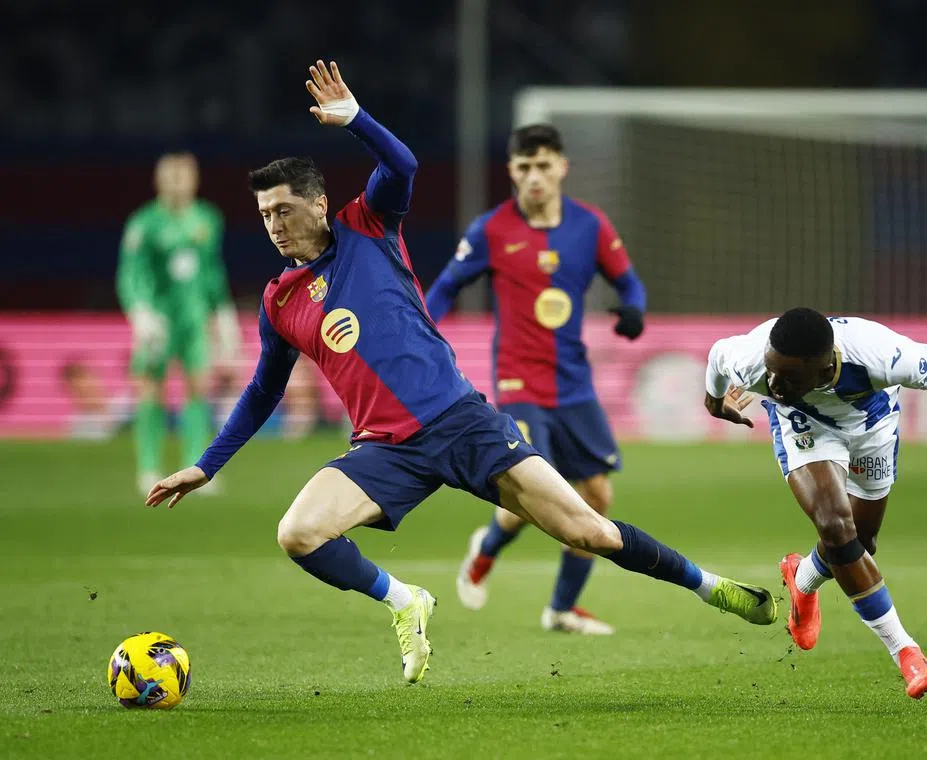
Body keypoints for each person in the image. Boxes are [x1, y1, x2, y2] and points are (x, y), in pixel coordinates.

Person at [146, 60, 777, 685]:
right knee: (299, 533)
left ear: (318, 203)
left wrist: (356, 119)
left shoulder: (367, 227)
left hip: (461, 421)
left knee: (588, 530)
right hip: (384, 450)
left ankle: (709, 586)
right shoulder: (278, 301)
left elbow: (403, 167)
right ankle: (404, 600)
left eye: (284, 210)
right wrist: (207, 465)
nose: (274, 226)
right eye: (264, 216)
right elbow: (263, 391)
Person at [704, 307, 927, 699]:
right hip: (805, 425)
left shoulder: (880, 355)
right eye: (772, 370)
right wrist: (714, 402)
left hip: (873, 427)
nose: (774, 382)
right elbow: (716, 355)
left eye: (789, 376)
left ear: (824, 366)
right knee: (835, 527)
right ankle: (906, 651)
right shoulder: (752, 363)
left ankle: (803, 579)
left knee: (859, 545)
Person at [425, 124, 646, 635]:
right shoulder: (491, 230)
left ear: (562, 167)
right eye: (523, 167)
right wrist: (424, 335)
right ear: (511, 172)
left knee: (597, 499)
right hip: (519, 384)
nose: (534, 177)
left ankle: (561, 609)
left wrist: (633, 310)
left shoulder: (589, 226)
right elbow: (444, 288)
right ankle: (487, 549)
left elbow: (628, 281)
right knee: (536, 491)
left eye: (543, 165)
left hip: (574, 386)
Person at [117, 151, 241, 494]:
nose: (177, 183)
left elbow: (212, 270)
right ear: (159, 181)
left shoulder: (207, 219)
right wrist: (140, 312)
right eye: (171, 177)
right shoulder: (143, 223)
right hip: (158, 320)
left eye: (183, 176)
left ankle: (195, 466)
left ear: (194, 180)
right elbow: (131, 274)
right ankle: (148, 466)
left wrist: (223, 311)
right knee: (151, 388)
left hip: (193, 319)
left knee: (198, 386)